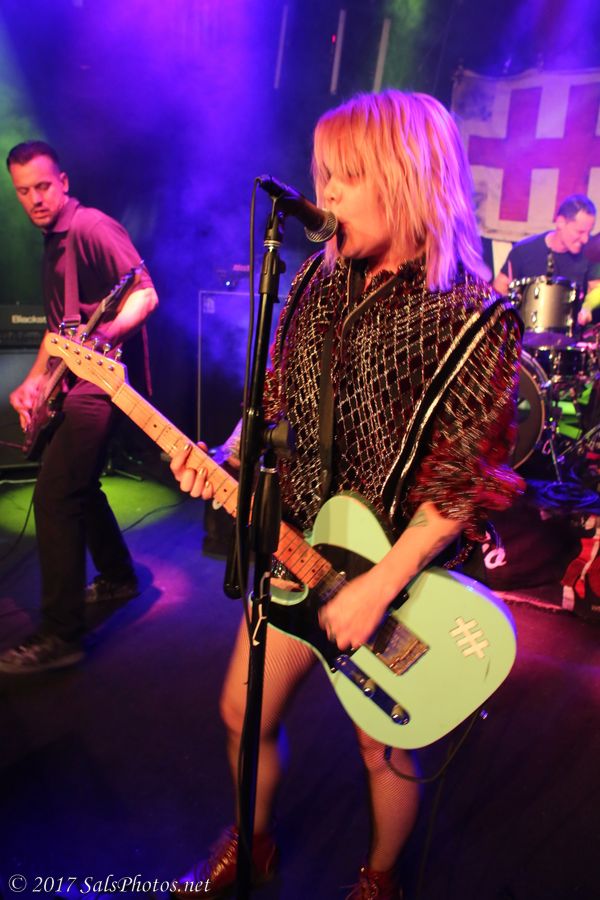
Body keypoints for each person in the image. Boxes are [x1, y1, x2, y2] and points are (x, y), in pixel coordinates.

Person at [170, 90, 524, 899]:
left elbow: (462, 477)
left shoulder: (476, 315)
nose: (324, 194)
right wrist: (224, 457)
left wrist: (378, 586)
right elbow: (277, 397)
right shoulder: (316, 283)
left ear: (407, 178)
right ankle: (252, 842)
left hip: (399, 571)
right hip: (299, 548)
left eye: (346, 177)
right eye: (323, 174)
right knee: (241, 713)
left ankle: (379, 878)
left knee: (383, 749)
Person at [0, 140, 158, 675]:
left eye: (43, 186)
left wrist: (105, 337)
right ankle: (118, 575)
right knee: (79, 486)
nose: (35, 199)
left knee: (55, 495)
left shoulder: (91, 227)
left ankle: (60, 635)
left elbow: (145, 294)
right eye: (24, 191)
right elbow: (58, 332)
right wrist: (33, 384)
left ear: (63, 182)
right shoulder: (54, 243)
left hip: (99, 382)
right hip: (72, 381)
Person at [492, 194, 600, 326]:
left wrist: (587, 308)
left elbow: (596, 289)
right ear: (560, 222)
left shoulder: (591, 253)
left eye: (588, 232)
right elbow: (499, 290)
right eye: (580, 232)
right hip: (526, 332)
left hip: (572, 333)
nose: (585, 239)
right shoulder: (524, 251)